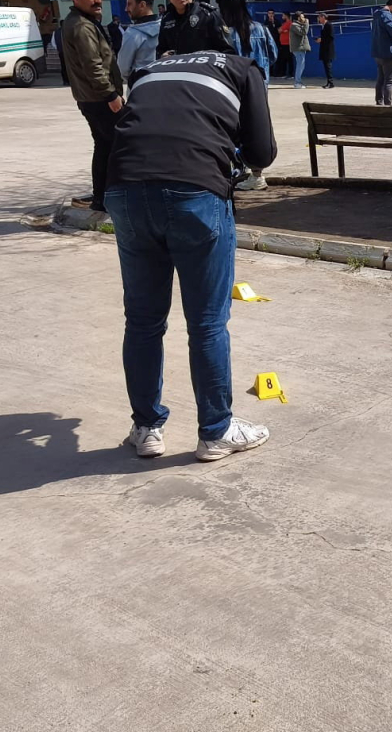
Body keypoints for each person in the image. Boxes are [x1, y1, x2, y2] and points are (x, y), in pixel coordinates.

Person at [104, 48, 277, 462]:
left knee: (143, 320)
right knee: (207, 323)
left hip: (125, 189)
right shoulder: (241, 67)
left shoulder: (149, 70)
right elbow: (262, 153)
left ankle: (146, 428)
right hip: (194, 189)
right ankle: (216, 430)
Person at [61, 0, 124, 212]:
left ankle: (102, 198)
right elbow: (93, 66)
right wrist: (111, 96)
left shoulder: (84, 21)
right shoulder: (81, 26)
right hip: (99, 99)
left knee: (105, 146)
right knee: (116, 147)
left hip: (92, 98)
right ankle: (107, 198)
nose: (97, 0)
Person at [219, 0, 275, 192]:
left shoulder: (225, 33)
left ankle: (239, 167)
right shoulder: (261, 28)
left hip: (234, 89)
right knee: (256, 129)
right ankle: (257, 174)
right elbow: (273, 55)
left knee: (234, 129)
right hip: (259, 86)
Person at [155, 0, 235, 58]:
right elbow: (160, 51)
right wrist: (162, 56)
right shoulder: (166, 19)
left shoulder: (208, 15)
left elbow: (229, 53)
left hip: (204, 70)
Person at [116, 0, 160, 85]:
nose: (126, 9)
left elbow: (123, 68)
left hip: (140, 88)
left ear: (142, 5)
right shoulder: (165, 26)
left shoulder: (132, 34)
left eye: (129, 4)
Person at [290, 12, 311, 89]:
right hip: (298, 48)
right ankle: (297, 82)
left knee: (302, 65)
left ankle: (299, 81)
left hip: (301, 48)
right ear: (298, 18)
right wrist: (306, 24)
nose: (304, 18)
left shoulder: (299, 25)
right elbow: (303, 32)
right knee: (299, 65)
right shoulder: (294, 25)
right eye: (302, 17)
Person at [318, 12, 335, 88]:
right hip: (324, 49)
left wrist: (322, 40)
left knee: (328, 66)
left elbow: (331, 37)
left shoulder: (329, 25)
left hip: (328, 50)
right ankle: (328, 82)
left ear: (323, 17)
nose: (319, 19)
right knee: (326, 66)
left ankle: (331, 83)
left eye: (319, 17)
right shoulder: (324, 26)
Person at [277, 14, 293, 80]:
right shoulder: (284, 23)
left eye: (283, 15)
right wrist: (283, 31)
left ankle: (290, 74)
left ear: (286, 16)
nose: (282, 17)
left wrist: (282, 31)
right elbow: (279, 30)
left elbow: (280, 30)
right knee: (284, 59)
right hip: (283, 44)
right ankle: (284, 73)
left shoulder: (289, 23)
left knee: (289, 59)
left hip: (287, 44)